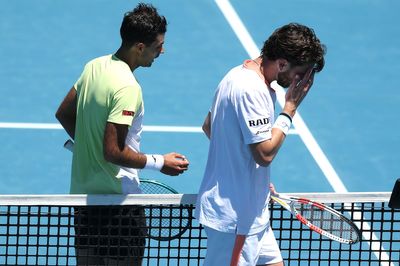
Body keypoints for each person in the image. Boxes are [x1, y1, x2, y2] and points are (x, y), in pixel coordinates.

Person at [55, 3, 189, 265]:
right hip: (120, 206)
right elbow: (113, 151)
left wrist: (87, 145)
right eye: (157, 45)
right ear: (140, 47)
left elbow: (64, 113)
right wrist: (160, 162)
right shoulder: (128, 87)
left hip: (85, 203)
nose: (162, 50)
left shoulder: (94, 66)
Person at [195, 23, 326, 265]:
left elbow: (209, 127)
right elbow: (264, 154)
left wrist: (253, 176)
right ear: (283, 63)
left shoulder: (235, 75)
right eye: (302, 73)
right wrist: (289, 110)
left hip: (254, 212)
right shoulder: (251, 90)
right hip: (237, 220)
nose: (302, 81)